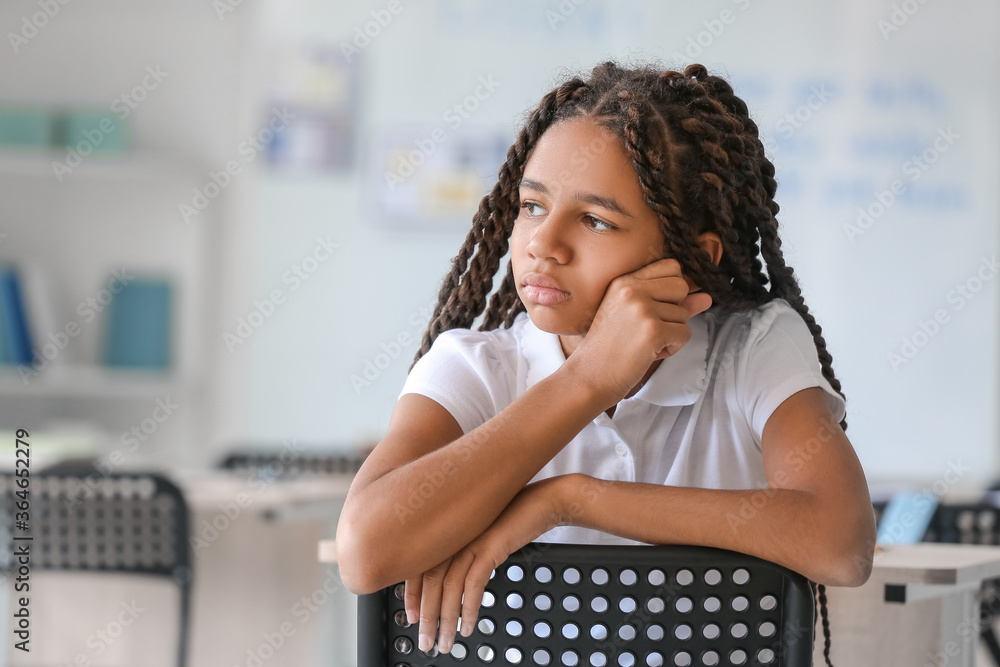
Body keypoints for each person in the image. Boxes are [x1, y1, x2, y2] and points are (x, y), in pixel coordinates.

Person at [336, 59, 876, 667]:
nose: (543, 244)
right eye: (532, 206)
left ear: (693, 260)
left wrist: (571, 498)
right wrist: (589, 378)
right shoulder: (474, 367)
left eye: (595, 220)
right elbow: (364, 551)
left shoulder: (753, 349)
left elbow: (842, 545)